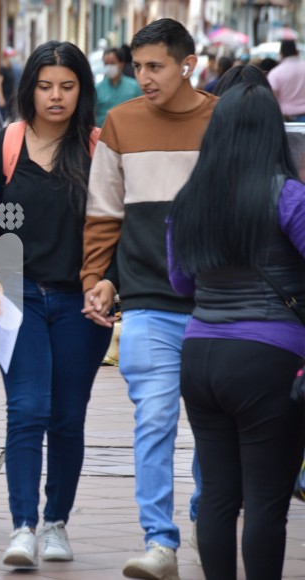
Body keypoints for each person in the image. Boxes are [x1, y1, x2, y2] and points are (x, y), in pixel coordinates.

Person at [81, 18, 217, 580]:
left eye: (154, 66)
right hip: (148, 305)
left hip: (217, 306)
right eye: (137, 66)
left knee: (213, 426)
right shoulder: (121, 122)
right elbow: (104, 213)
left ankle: (206, 515)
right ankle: (159, 540)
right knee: (154, 421)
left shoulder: (222, 121)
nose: (143, 77)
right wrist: (99, 277)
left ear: (187, 63)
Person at [0, 40, 113, 568]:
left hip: (81, 303)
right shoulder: (1, 146)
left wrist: (110, 282)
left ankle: (56, 522)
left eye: (67, 86)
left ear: (82, 90)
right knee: (27, 408)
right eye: (45, 85)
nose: (55, 96)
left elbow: (117, 227)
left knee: (67, 416)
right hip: (17, 295)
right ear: (28, 88)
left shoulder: (100, 150)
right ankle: (22, 527)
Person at [168, 82, 305, 580]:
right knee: (267, 502)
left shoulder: (189, 199)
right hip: (268, 360)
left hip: (200, 356)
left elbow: (181, 281)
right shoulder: (290, 196)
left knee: (220, 496)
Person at [94, 46, 143, 126]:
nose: (109, 67)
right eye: (106, 64)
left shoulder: (134, 86)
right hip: (102, 134)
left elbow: (142, 111)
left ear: (121, 63)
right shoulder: (97, 88)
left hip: (128, 132)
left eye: (112, 63)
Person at [268, 40, 305, 122]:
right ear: (297, 52)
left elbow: (272, 97)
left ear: (281, 54)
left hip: (285, 118)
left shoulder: (276, 73)